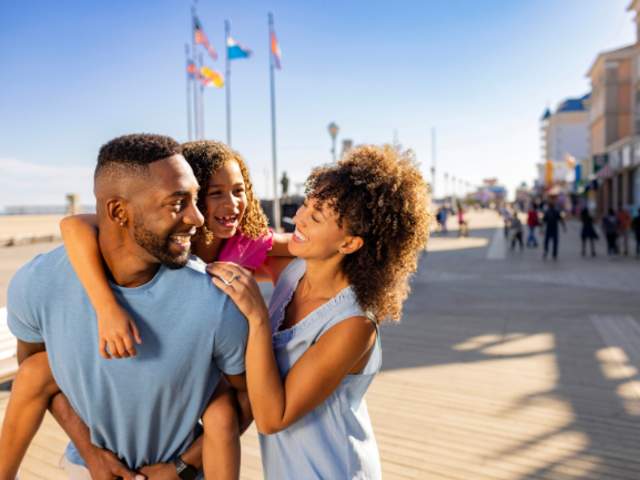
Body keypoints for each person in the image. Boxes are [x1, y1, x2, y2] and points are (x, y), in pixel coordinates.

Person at [0, 134, 249, 480]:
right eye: (178, 203)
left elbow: (246, 396)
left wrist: (182, 466)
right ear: (118, 211)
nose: (198, 218)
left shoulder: (216, 300)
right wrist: (91, 453)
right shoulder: (38, 283)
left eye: (195, 200)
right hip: (85, 469)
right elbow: (38, 373)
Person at [209, 145, 430, 479]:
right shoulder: (292, 270)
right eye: (305, 205)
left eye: (316, 217)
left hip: (334, 470)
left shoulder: (354, 323)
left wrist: (257, 318)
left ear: (350, 243)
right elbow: (252, 244)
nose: (298, 218)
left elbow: (272, 418)